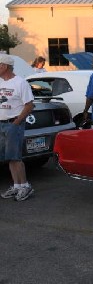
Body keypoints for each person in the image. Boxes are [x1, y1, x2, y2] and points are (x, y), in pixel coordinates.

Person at [0, 54, 35, 201]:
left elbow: (29, 105)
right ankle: (16, 186)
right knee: (9, 158)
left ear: (4, 66)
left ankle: (25, 186)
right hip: (2, 124)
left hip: (13, 124)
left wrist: (17, 122)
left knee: (16, 157)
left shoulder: (20, 83)